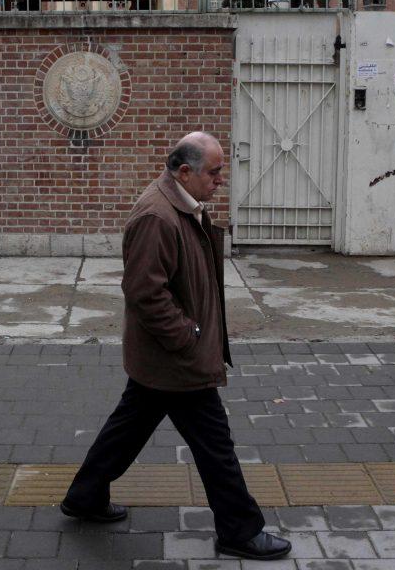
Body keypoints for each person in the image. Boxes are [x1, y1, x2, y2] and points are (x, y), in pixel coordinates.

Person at [60, 132, 292, 561]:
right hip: (176, 360)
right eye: (215, 172)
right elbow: (145, 292)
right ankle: (240, 530)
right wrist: (188, 337)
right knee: (215, 446)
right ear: (184, 172)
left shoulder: (181, 205)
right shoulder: (158, 216)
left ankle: (85, 496)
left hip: (164, 358)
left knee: (127, 429)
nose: (221, 180)